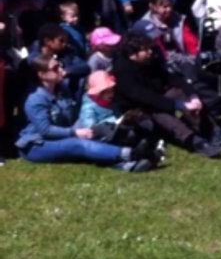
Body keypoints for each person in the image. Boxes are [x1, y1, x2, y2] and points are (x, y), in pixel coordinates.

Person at [17, 54, 155, 172]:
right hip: (36, 145)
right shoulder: (34, 99)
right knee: (76, 144)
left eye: (59, 65)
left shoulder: (61, 88)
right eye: (55, 68)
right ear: (42, 75)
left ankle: (127, 165)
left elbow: (73, 114)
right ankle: (132, 154)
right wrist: (75, 132)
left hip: (61, 134)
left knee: (93, 133)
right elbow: (45, 130)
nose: (61, 70)